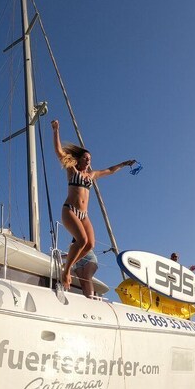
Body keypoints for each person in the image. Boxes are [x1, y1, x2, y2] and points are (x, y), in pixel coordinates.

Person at [51, 119, 135, 289]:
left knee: (90, 244)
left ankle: (68, 260)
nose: (89, 161)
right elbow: (59, 152)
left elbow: (110, 170)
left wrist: (124, 164)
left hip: (84, 215)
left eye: (90, 159)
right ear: (80, 160)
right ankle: (67, 271)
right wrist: (56, 130)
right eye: (86, 158)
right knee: (81, 241)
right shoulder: (72, 171)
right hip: (70, 210)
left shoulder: (92, 176)